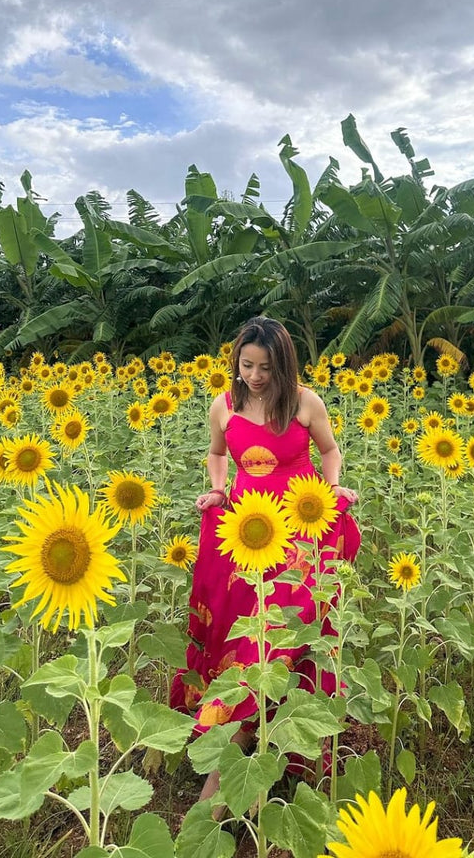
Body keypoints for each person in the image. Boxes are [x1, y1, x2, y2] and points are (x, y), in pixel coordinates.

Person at [170, 316, 361, 803]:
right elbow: (217, 455)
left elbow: (330, 449)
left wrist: (333, 484)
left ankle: (242, 758)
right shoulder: (224, 405)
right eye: (247, 365)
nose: (254, 376)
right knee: (239, 629)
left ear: (284, 365)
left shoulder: (303, 402)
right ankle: (243, 733)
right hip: (245, 527)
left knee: (281, 629)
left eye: (266, 367)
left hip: (297, 527)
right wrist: (216, 489)